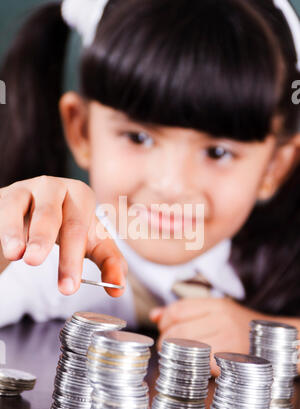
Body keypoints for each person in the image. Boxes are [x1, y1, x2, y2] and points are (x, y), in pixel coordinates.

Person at [0, 0, 299, 375]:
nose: (171, 185)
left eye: (218, 151)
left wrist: (273, 340)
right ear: (81, 131)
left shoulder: (285, 264)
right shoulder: (41, 258)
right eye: (139, 137)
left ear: (274, 166)